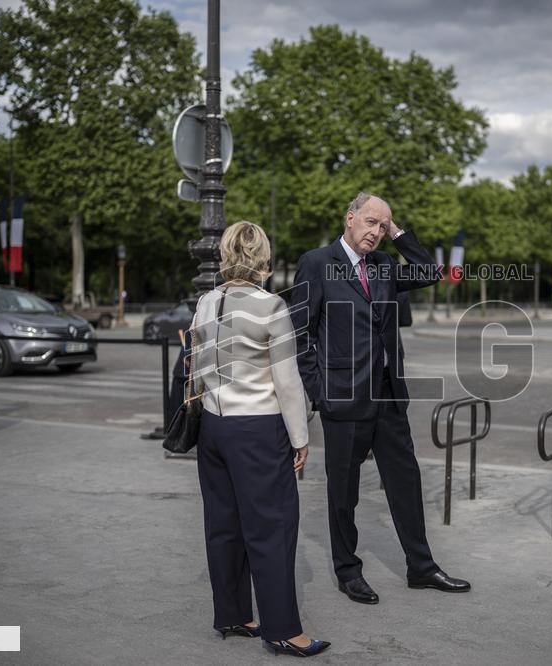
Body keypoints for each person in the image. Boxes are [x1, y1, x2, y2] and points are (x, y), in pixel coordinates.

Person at [290, 192, 470, 606]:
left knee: (405, 482)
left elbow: (428, 271)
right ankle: (348, 571)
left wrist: (399, 233)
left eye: (383, 226)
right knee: (344, 492)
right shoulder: (316, 263)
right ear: (349, 218)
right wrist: (319, 392)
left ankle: (421, 568)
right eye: (371, 222)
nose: (376, 232)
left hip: (388, 396)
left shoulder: (386, 265)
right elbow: (299, 334)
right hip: (343, 399)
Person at [190, 221, 329, 658]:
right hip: (258, 428)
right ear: (263, 257)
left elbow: (195, 367)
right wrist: (300, 437)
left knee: (224, 525)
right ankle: (283, 630)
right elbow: (287, 382)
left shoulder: (206, 302)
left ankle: (232, 614)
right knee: (273, 528)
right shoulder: (272, 307)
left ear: (224, 254)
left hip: (214, 425)